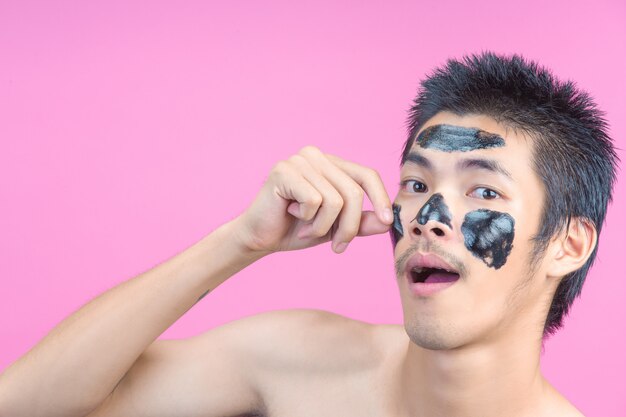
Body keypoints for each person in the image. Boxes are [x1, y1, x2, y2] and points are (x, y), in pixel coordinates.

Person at [0, 51, 618, 417]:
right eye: (417, 184)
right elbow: (25, 404)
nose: (431, 215)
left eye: (484, 192)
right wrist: (239, 241)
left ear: (568, 244)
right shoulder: (296, 360)